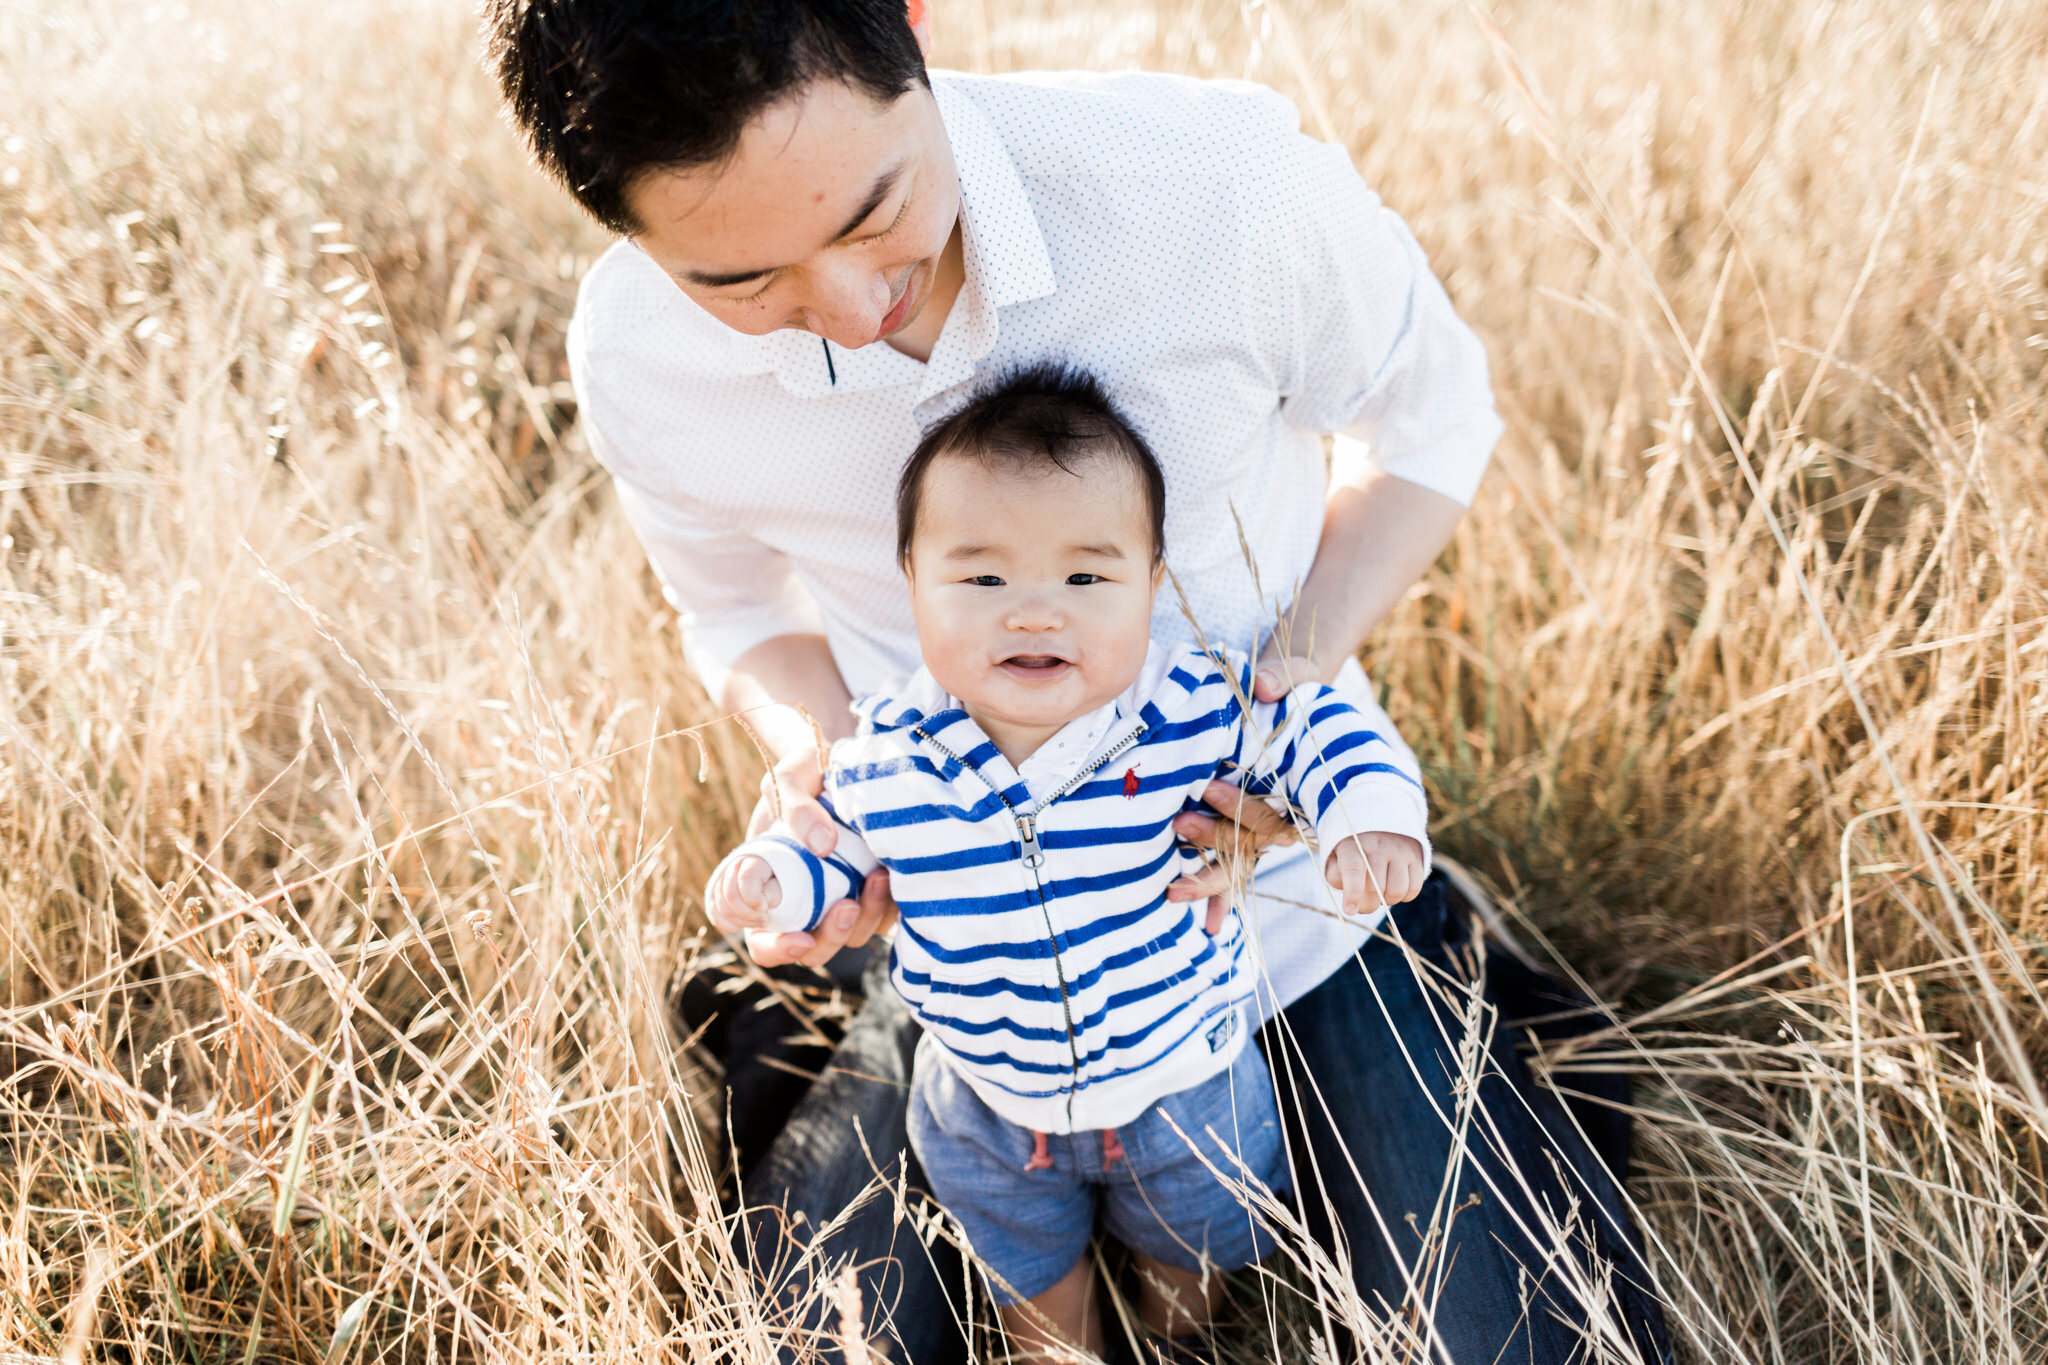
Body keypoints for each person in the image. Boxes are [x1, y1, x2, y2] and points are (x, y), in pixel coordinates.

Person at [486, 2, 1674, 1360]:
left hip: (1297, 911)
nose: (854, 314)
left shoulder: (1218, 190)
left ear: (913, 23)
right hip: (962, 958)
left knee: (1521, 1337)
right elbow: (735, 614)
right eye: (742, 285)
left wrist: (1294, 680)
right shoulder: (639, 352)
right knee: (819, 1341)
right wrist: (831, 778)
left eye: (878, 213)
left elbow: (1435, 417)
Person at [704, 367, 1430, 1359]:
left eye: (1086, 578)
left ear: (1153, 584)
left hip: (1184, 1086)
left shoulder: (1185, 714)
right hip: (987, 1112)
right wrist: (776, 878)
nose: (1034, 612)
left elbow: (1311, 727)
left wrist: (1365, 814)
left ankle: (1179, 1336)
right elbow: (833, 843)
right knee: (1033, 1286)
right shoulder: (888, 753)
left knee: (1195, 1260)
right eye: (983, 578)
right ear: (911, 583)